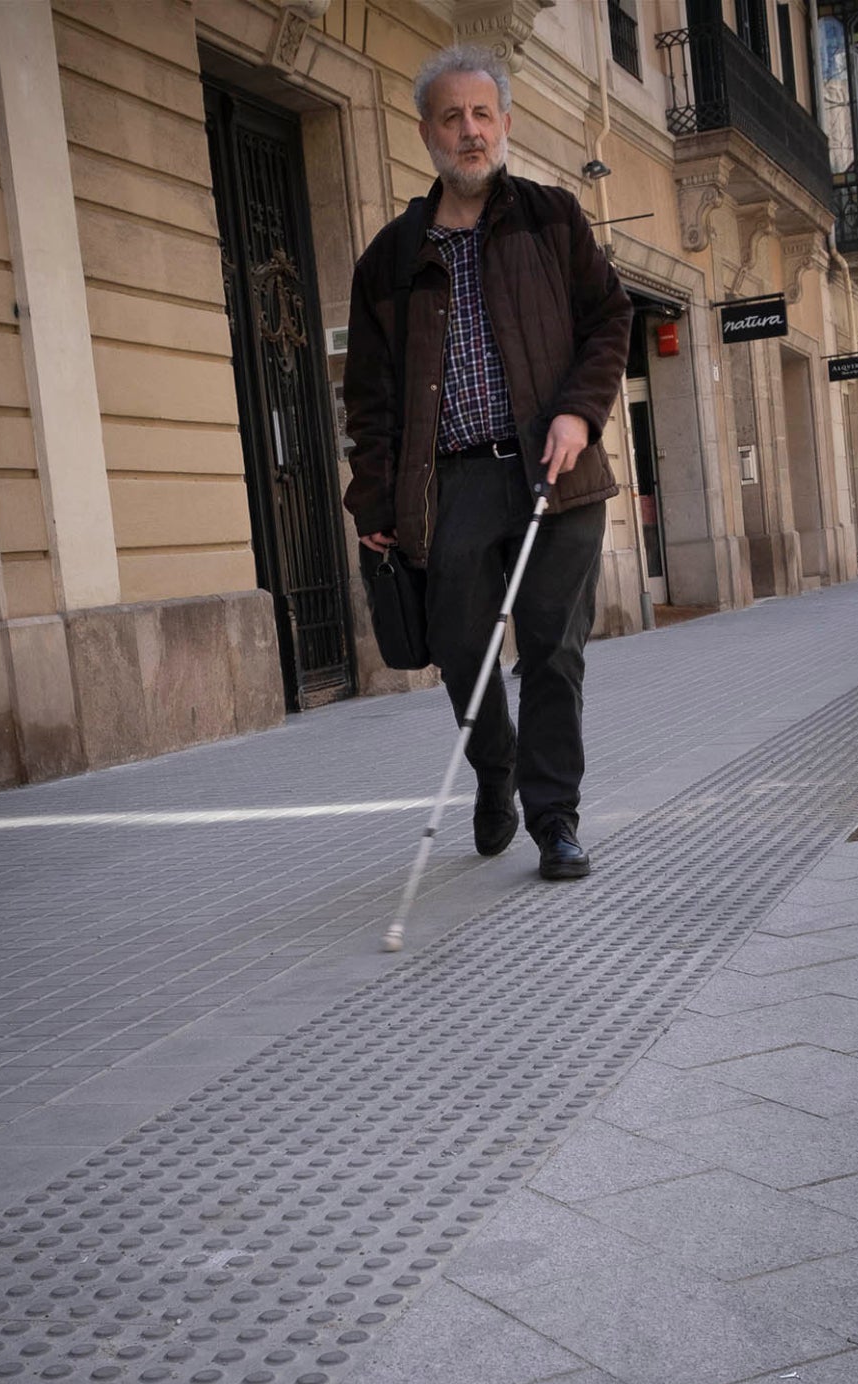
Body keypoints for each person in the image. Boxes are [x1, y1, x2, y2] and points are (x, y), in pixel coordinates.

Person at [342, 44, 630, 883]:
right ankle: (494, 769)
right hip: (451, 483)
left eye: (481, 114)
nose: (469, 131)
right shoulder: (388, 260)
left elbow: (609, 320)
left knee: (552, 648)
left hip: (555, 475)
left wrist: (580, 410)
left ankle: (555, 820)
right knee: (460, 648)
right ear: (426, 131)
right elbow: (370, 399)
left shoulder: (552, 218)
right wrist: (375, 507)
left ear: (503, 123)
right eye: (450, 116)